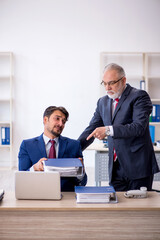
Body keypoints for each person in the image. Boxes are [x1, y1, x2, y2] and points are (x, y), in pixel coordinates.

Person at [78, 63, 159, 191]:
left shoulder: (139, 96)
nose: (107, 87)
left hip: (138, 166)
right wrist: (73, 151)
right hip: (115, 168)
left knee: (138, 208)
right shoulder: (102, 102)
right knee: (117, 208)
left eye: (111, 83)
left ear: (124, 80)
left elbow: (138, 127)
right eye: (104, 83)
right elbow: (91, 129)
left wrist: (108, 130)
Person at [18, 106, 87, 191]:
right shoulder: (27, 145)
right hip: (37, 194)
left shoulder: (74, 145)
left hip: (65, 196)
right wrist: (34, 169)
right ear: (45, 120)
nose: (61, 124)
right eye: (57, 119)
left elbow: (82, 183)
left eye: (63, 121)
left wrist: (81, 171)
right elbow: (21, 178)